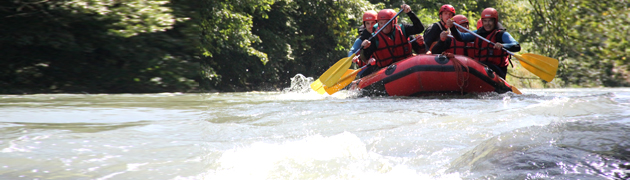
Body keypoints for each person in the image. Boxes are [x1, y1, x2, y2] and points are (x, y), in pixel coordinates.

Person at [448, 7, 521, 79]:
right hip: (480, 68)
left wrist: (503, 45)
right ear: (482, 22)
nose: (487, 24)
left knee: (481, 66)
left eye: (490, 21)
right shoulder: (478, 33)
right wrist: (452, 27)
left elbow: (516, 46)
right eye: (485, 21)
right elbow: (461, 37)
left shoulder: (501, 34)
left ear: (495, 21)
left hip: (497, 71)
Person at [357, 4, 425, 76]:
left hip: (406, 66)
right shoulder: (374, 38)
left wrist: (409, 13)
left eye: (387, 23)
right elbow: (364, 58)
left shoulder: (403, 29)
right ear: (378, 24)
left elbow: (419, 28)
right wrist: (364, 48)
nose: (384, 26)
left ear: (393, 22)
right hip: (386, 73)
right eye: (381, 23)